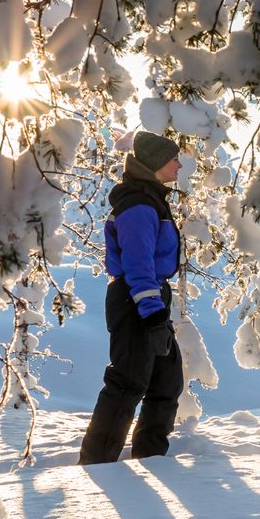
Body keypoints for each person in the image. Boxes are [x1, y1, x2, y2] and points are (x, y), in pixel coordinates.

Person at [79, 131, 184, 464]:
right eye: (173, 159)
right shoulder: (138, 206)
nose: (179, 164)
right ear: (155, 164)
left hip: (150, 298)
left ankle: (150, 458)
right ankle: (96, 465)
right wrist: (152, 315)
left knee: (166, 380)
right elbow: (138, 265)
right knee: (127, 383)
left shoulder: (149, 198)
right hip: (136, 299)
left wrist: (157, 310)